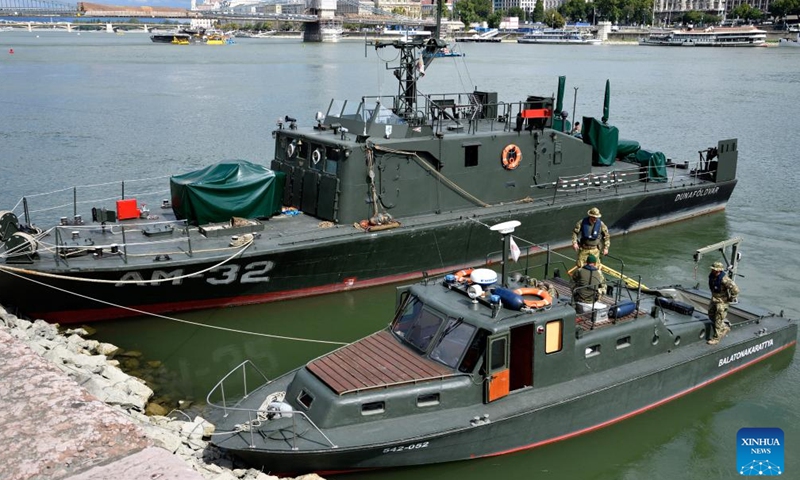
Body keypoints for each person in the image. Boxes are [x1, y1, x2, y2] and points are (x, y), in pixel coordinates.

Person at [707, 261, 739, 345]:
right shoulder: (712, 276)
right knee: (710, 315)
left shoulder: (725, 279)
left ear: (718, 270)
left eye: (714, 269)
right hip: (714, 299)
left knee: (718, 319)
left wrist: (731, 298)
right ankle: (724, 327)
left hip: (722, 302)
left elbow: (735, 289)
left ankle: (716, 338)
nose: (712, 271)